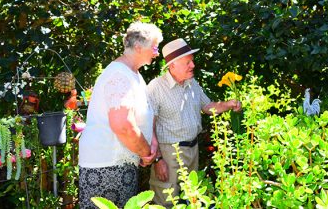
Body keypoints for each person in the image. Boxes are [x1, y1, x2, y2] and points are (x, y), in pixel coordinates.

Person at [148, 38, 241, 207]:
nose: (193, 66)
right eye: (188, 62)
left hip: (193, 150)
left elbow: (207, 107)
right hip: (169, 153)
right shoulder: (156, 88)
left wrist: (228, 104)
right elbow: (149, 126)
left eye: (192, 61)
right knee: (166, 201)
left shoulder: (192, 83)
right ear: (173, 65)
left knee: (191, 199)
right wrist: (158, 160)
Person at [78, 22, 163, 208]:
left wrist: (150, 143)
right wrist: (145, 151)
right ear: (139, 47)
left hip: (118, 163)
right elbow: (122, 125)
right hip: (107, 164)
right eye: (155, 47)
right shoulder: (119, 75)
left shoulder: (133, 74)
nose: (157, 53)